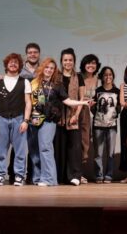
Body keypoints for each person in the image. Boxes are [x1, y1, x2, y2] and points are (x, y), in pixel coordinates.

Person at [29, 58, 89, 186]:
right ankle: (42, 177)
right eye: (47, 67)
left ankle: (49, 179)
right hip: (34, 120)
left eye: (52, 68)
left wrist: (82, 102)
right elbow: (28, 101)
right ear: (42, 68)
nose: (49, 70)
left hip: (49, 120)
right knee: (37, 150)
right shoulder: (34, 83)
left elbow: (67, 101)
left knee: (46, 148)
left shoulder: (57, 85)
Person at [0, 53, 32, 186]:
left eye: (16, 62)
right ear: (6, 64)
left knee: (20, 150)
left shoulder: (24, 82)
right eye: (10, 62)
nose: (13, 64)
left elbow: (28, 103)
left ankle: (19, 176)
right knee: (1, 149)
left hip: (18, 118)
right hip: (1, 118)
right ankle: (0, 176)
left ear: (20, 65)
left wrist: (26, 121)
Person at [9, 43, 40, 185]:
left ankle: (32, 175)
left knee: (34, 145)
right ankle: (14, 174)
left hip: (39, 111)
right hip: (21, 110)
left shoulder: (43, 69)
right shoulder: (20, 70)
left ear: (39, 54)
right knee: (18, 145)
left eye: (35, 52)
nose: (32, 54)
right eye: (30, 52)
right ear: (26, 54)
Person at [54, 48, 86, 186]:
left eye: (70, 60)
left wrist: (76, 115)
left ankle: (75, 176)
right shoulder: (56, 76)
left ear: (74, 61)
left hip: (73, 116)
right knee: (59, 147)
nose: (68, 62)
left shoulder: (78, 77)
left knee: (74, 148)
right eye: (65, 60)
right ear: (61, 61)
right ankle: (59, 176)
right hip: (58, 117)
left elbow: (81, 98)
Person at [92, 66, 120, 183]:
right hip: (98, 125)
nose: (108, 77)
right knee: (98, 153)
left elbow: (119, 108)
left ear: (113, 76)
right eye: (105, 75)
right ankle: (99, 175)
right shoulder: (97, 91)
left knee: (110, 153)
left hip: (112, 126)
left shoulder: (117, 91)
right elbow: (93, 107)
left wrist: (113, 115)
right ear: (102, 77)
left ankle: (109, 175)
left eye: (110, 74)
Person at [79, 54, 101, 183]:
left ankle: (100, 174)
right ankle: (78, 173)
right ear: (83, 64)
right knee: (81, 143)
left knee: (90, 145)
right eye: (88, 63)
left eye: (94, 63)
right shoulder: (78, 77)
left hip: (97, 114)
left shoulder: (99, 79)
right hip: (81, 113)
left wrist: (95, 102)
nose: (91, 65)